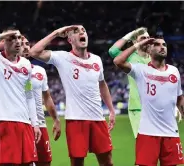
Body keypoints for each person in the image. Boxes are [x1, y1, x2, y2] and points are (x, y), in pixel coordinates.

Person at [29, 25, 116, 166]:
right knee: (77, 162)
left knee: (107, 162)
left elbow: (102, 84)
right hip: (76, 120)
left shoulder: (96, 60)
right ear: (69, 39)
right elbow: (34, 52)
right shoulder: (63, 57)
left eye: (84, 30)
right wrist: (57, 33)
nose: (82, 32)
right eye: (76, 31)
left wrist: (111, 110)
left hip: (98, 118)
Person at [0, 35, 62, 166]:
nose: (25, 46)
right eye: (22, 43)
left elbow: (46, 97)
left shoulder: (39, 71)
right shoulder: (3, 65)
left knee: (44, 162)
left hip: (38, 124)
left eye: (27, 43)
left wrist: (56, 119)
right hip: (17, 122)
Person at [0, 28, 42, 166]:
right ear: (4, 41)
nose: (17, 41)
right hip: (4, 121)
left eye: (18, 38)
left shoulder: (26, 64)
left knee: (29, 163)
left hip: (25, 123)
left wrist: (35, 123)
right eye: (12, 39)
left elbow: (29, 95)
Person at [113, 36, 184, 166]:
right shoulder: (141, 70)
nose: (162, 46)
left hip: (171, 133)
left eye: (164, 44)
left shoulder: (174, 71)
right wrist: (138, 45)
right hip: (147, 133)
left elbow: (180, 97)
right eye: (157, 44)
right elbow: (118, 61)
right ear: (149, 50)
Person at [108, 27, 151, 138]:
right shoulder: (130, 57)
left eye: (148, 38)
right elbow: (112, 51)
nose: (146, 40)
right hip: (138, 106)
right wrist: (131, 33)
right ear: (135, 41)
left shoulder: (154, 58)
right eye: (143, 38)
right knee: (143, 141)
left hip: (155, 106)